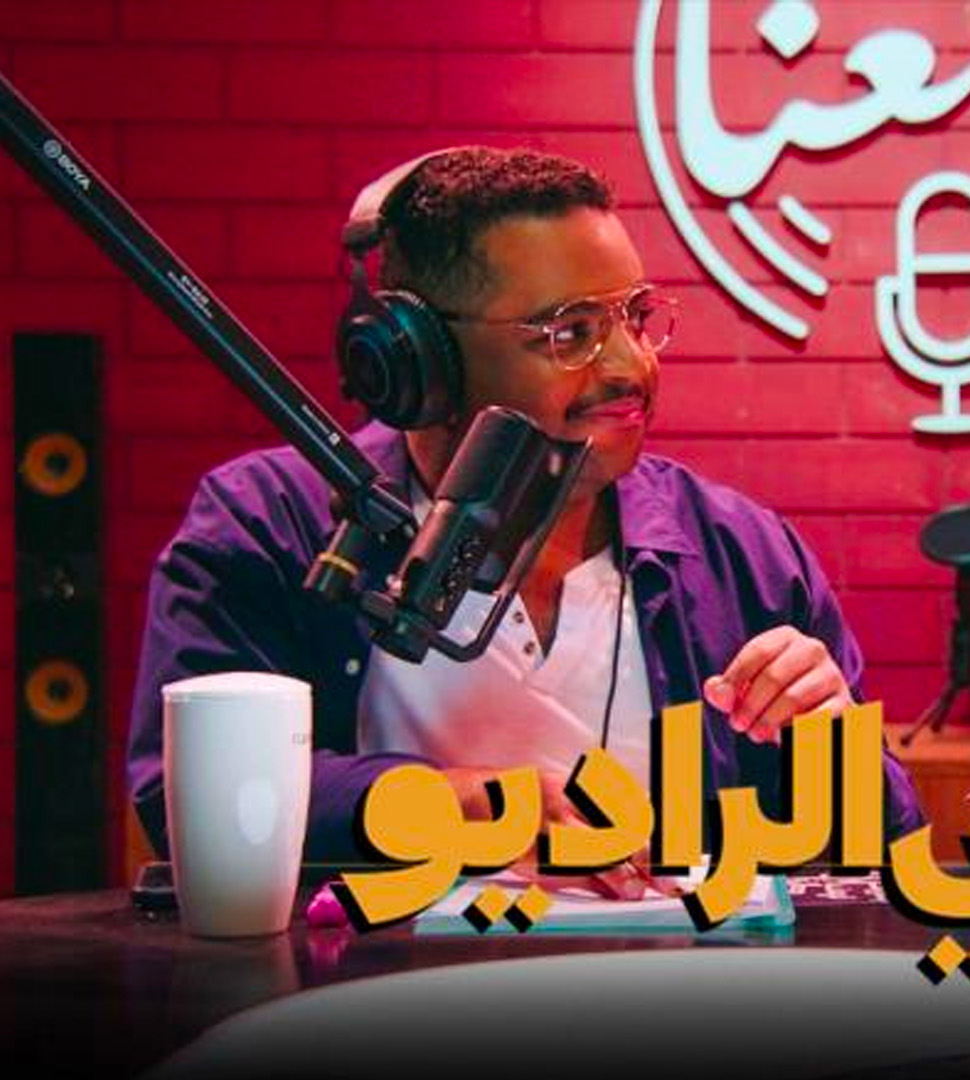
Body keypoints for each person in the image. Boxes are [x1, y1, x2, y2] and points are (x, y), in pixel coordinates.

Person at [127, 147, 924, 894]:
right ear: (422, 361)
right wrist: (463, 808)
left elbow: (885, 857)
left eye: (635, 318)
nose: (631, 365)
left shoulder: (741, 552)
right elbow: (190, 799)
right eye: (570, 333)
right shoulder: (267, 523)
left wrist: (837, 753)